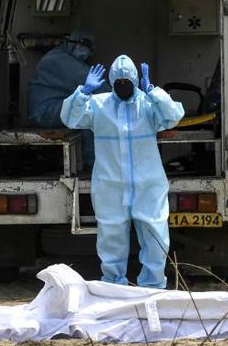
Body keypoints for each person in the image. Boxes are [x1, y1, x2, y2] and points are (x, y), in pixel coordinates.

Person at [60, 55, 184, 288]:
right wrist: (83, 92)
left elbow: (173, 116)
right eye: (119, 82)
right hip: (111, 185)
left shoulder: (148, 105)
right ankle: (114, 285)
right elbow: (70, 118)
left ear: (136, 81)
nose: (123, 86)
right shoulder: (99, 105)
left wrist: (152, 90)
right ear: (112, 82)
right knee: (111, 237)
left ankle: (153, 286)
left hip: (148, 185)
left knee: (155, 235)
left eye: (128, 82)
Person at [28, 31, 108, 166]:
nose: (86, 50)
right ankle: (93, 163)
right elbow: (95, 85)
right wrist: (122, 97)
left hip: (52, 107)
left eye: (89, 47)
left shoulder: (67, 58)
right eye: (82, 45)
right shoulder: (58, 61)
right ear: (71, 43)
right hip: (45, 112)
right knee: (88, 112)